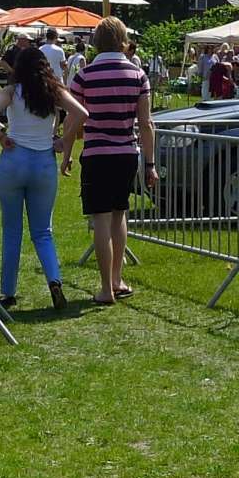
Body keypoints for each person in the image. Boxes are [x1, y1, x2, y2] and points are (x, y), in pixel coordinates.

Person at [65, 17, 156, 307]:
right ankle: (117, 280)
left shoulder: (84, 76)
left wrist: (65, 153)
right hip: (127, 153)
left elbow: (72, 120)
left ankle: (106, 288)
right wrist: (151, 164)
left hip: (96, 154)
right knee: (119, 215)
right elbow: (146, 124)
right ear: (123, 40)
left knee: (101, 219)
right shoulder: (138, 75)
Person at [0, 46, 83, 309]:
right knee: (43, 232)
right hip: (43, 164)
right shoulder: (54, 92)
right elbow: (82, 113)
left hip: (13, 161)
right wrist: (64, 140)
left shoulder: (11, 91)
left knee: (12, 230)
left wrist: (1, 135)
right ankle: (54, 280)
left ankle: (8, 292)